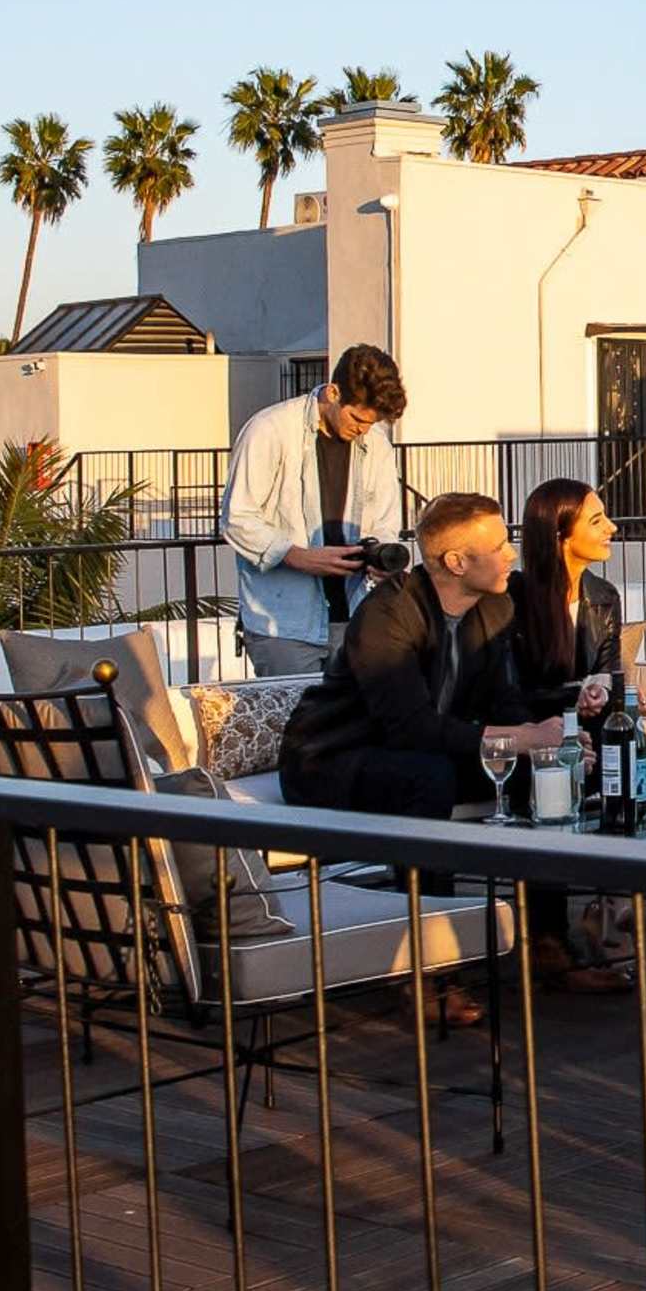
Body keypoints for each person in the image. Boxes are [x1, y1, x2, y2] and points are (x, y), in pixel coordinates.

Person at [272, 490, 529, 1026]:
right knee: (428, 778)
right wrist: (512, 737)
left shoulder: (496, 607)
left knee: (541, 767)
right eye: (501, 544)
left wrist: (545, 738)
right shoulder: (388, 615)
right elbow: (409, 727)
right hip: (332, 762)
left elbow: (506, 708)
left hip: (416, 753)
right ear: (457, 562)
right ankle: (428, 966)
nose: (511, 555)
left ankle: (551, 943)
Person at [504, 475, 636, 994]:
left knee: (627, 762)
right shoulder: (514, 598)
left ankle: (608, 910)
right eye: (597, 520)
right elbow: (509, 691)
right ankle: (548, 942)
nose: (612, 528)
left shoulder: (603, 596)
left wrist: (603, 691)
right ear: (559, 534)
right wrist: (569, 703)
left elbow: (609, 677)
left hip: (585, 731)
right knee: (550, 774)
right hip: (528, 735)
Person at [223, 346, 408, 677]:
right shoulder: (269, 429)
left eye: (372, 423)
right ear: (334, 392)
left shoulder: (377, 444)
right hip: (284, 625)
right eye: (357, 418)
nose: (363, 430)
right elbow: (237, 519)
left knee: (353, 727)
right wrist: (295, 556)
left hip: (356, 619)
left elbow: (385, 521)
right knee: (297, 727)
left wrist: (379, 557)